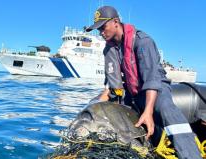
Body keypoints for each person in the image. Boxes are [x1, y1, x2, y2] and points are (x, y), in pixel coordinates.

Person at [86, 6, 202, 158]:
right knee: (96, 105)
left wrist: (148, 111)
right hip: (132, 92)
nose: (101, 32)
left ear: (115, 22)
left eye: (103, 27)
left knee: (165, 108)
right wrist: (96, 105)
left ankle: (191, 155)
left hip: (156, 88)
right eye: (98, 29)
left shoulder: (143, 42)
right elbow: (114, 86)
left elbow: (152, 80)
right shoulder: (109, 49)